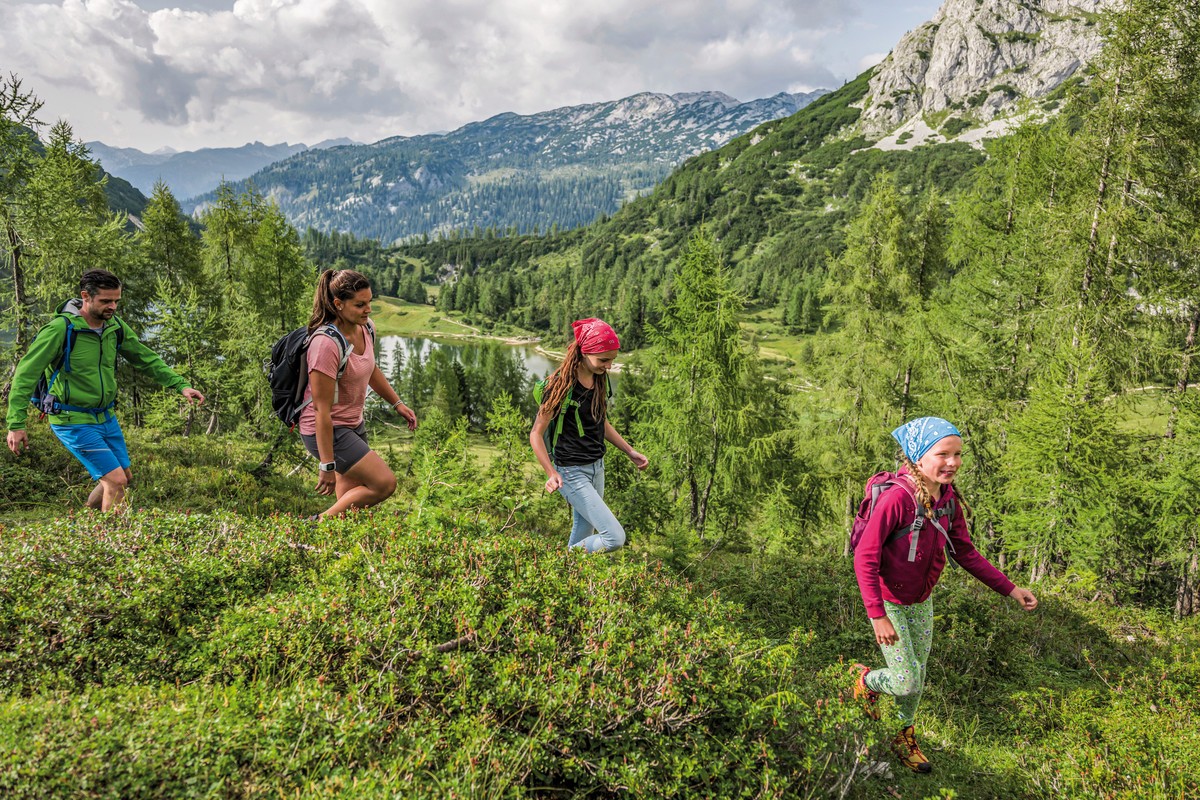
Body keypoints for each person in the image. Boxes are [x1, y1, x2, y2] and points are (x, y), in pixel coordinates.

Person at [851, 416, 1038, 774]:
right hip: (890, 602)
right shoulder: (896, 500)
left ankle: (902, 734)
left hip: (921, 601)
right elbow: (865, 556)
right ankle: (864, 681)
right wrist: (877, 614)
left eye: (958, 455)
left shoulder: (947, 500)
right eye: (943, 454)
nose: (953, 462)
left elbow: (965, 552)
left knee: (916, 675)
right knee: (905, 678)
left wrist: (1011, 589)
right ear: (918, 457)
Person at [5, 269, 205, 511]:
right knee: (116, 481)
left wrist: (180, 385)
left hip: (105, 416)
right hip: (72, 418)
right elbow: (25, 374)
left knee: (124, 477)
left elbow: (145, 358)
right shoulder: (60, 329)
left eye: (116, 301)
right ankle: (112, 541)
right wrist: (16, 424)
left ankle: (88, 523)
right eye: (106, 301)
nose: (113, 307)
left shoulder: (114, 327)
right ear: (85, 296)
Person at [298, 269, 417, 520]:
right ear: (338, 304)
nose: (368, 310)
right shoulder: (325, 345)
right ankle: (316, 523)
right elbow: (321, 410)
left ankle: (332, 544)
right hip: (328, 430)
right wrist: (327, 465)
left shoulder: (366, 328)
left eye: (370, 302)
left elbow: (369, 367)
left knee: (348, 503)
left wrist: (397, 403)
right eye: (360, 304)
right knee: (384, 483)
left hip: (353, 424)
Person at [529, 318, 648, 553]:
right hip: (571, 472)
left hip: (597, 468)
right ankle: (560, 561)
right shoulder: (559, 386)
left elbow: (600, 421)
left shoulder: (598, 379)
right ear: (584, 352)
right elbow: (536, 434)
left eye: (612, 360)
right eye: (604, 360)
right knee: (614, 538)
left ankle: (566, 577)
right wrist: (550, 473)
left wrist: (629, 450)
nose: (609, 366)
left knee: (585, 534)